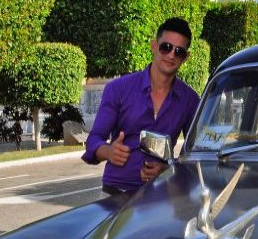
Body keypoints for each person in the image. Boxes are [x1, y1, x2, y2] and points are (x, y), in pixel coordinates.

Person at [82, 17, 200, 195]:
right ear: (154, 45)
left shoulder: (189, 100)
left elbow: (193, 156)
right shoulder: (118, 89)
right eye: (166, 47)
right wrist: (108, 151)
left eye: (179, 52)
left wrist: (168, 168)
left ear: (186, 57)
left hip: (162, 198)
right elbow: (94, 139)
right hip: (116, 194)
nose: (171, 55)